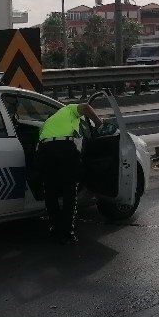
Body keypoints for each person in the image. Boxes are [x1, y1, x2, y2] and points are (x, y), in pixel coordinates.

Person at [36, 97, 102, 244]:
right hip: (64, 148)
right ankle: (67, 233)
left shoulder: (48, 122)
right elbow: (86, 107)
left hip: (45, 150)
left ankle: (55, 229)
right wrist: (99, 123)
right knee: (69, 190)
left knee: (50, 192)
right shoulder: (69, 109)